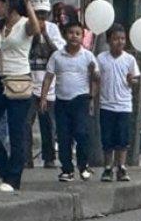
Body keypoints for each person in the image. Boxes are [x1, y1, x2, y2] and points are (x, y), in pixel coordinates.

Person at [0, 0, 42, 193]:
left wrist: (27, 4)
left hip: (18, 79)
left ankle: (14, 178)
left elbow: (36, 29)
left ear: (6, 3)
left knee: (17, 131)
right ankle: (3, 169)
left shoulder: (24, 24)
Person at [41, 21, 98, 182]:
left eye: (78, 33)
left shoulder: (88, 56)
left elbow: (96, 79)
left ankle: (83, 165)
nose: (74, 36)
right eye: (71, 33)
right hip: (61, 101)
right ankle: (67, 169)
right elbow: (48, 77)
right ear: (65, 35)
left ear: (82, 36)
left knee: (81, 133)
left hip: (81, 99)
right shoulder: (57, 56)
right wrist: (43, 97)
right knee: (64, 136)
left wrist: (92, 98)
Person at [95, 24, 140, 182]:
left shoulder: (129, 59)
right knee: (107, 139)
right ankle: (108, 167)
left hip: (124, 105)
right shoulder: (101, 58)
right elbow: (96, 79)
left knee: (122, 138)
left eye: (122, 39)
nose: (119, 42)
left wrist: (131, 80)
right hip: (106, 104)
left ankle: (121, 166)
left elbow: (135, 79)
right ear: (109, 41)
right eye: (115, 39)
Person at [27, 0, 64, 169]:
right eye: (38, 14)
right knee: (26, 122)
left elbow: (58, 52)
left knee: (48, 124)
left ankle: (49, 158)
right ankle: (26, 157)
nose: (41, 17)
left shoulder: (53, 29)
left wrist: (45, 35)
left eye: (44, 14)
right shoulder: (26, 27)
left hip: (47, 85)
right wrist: (36, 33)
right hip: (29, 83)